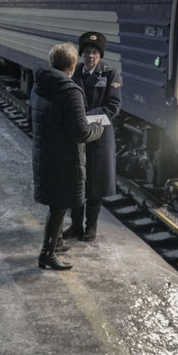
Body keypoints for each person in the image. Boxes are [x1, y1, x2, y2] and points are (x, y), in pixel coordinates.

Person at [30, 42, 104, 270]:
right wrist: (98, 129)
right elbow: (80, 131)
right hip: (64, 158)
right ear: (72, 66)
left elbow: (30, 119)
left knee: (56, 203)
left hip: (45, 153)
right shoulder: (70, 91)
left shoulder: (39, 85)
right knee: (59, 205)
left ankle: (57, 243)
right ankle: (47, 254)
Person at [68, 31, 121, 242]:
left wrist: (84, 117)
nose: (91, 56)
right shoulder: (74, 73)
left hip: (99, 136)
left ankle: (91, 227)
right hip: (78, 136)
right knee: (75, 181)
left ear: (100, 56)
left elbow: (113, 107)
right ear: (81, 55)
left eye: (95, 53)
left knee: (94, 184)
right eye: (87, 52)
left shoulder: (110, 75)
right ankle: (75, 226)